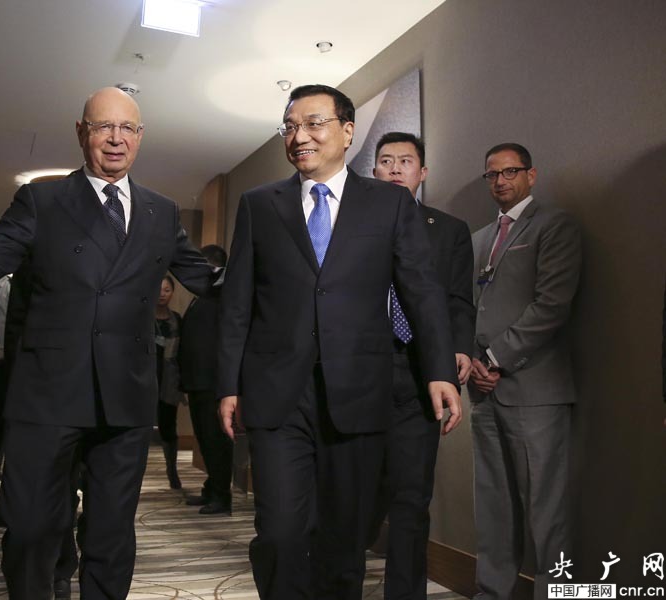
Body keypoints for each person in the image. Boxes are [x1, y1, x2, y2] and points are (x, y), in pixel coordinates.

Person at [0, 87, 221, 600]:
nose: (115, 138)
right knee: (30, 526)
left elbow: (205, 277)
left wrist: (266, 276)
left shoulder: (161, 212)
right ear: (81, 132)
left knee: (111, 532)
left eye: (127, 128)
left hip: (126, 394)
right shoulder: (42, 200)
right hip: (48, 392)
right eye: (103, 126)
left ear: (140, 137)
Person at [217, 84, 461, 600]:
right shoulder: (259, 205)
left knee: (344, 539)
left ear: (348, 132)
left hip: (359, 391)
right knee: (280, 532)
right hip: (278, 393)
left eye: (313, 123)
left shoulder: (389, 203)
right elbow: (237, 302)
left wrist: (439, 369)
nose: (298, 136)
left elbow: (421, 292)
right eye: (289, 127)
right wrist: (228, 384)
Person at [469, 143, 581, 600]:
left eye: (510, 171)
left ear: (531, 175)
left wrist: (495, 359)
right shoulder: (477, 239)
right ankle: (492, 593)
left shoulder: (554, 225)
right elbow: (468, 309)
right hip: (483, 392)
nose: (501, 181)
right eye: (492, 174)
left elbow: (551, 306)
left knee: (546, 509)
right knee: (493, 505)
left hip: (536, 392)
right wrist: (474, 363)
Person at [368, 132, 475, 600]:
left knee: (412, 498)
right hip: (360, 373)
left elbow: (458, 299)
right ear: (373, 171)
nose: (395, 168)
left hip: (420, 372)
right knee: (356, 494)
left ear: (422, 172)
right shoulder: (350, 226)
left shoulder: (448, 230)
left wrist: (459, 349)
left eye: (405, 161)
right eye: (386, 161)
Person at [178, 244, 234, 515]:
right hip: (197, 379)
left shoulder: (222, 296)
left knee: (215, 440)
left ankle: (221, 495)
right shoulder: (200, 297)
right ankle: (211, 487)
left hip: (212, 380)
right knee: (204, 438)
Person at [155, 275, 185, 489]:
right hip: (145, 379)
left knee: (168, 425)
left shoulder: (176, 320)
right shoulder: (143, 317)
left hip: (169, 380)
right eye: (158, 290)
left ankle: (171, 470)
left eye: (166, 290)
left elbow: (182, 353)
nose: (162, 294)